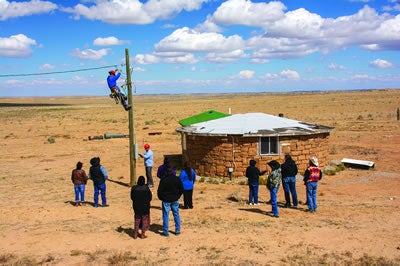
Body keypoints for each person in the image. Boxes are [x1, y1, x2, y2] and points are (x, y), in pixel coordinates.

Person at [157, 172, 184, 237]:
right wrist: (177, 196)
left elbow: (159, 191)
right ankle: (177, 230)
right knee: (176, 214)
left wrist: (161, 198)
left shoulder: (163, 179)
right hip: (174, 199)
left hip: (166, 200)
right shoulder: (176, 179)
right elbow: (181, 189)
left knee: (165, 215)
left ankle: (166, 231)